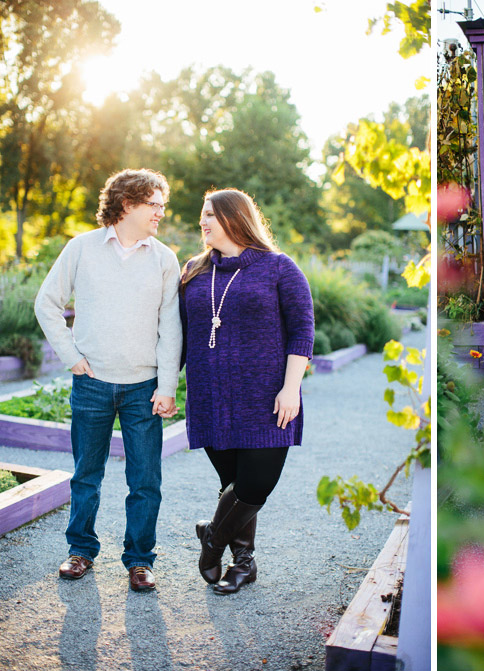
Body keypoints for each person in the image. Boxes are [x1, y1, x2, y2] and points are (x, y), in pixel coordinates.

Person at [34, 168, 182, 592]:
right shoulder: (81, 249)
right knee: (86, 475)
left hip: (143, 388)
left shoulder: (163, 258)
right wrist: (72, 358)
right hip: (92, 384)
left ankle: (139, 560)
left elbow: (170, 327)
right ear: (127, 204)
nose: (161, 212)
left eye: (162, 204)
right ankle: (80, 551)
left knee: (146, 480)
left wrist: (167, 385)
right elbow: (47, 303)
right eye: (153, 204)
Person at [180, 188, 314, 595]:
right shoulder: (194, 271)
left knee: (256, 486)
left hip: (268, 399)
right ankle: (244, 564)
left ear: (234, 217)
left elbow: (302, 330)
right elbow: (179, 335)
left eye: (209, 215)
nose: (201, 222)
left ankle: (212, 541)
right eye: (201, 215)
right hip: (212, 399)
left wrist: (291, 388)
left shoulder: (279, 268)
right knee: (232, 485)